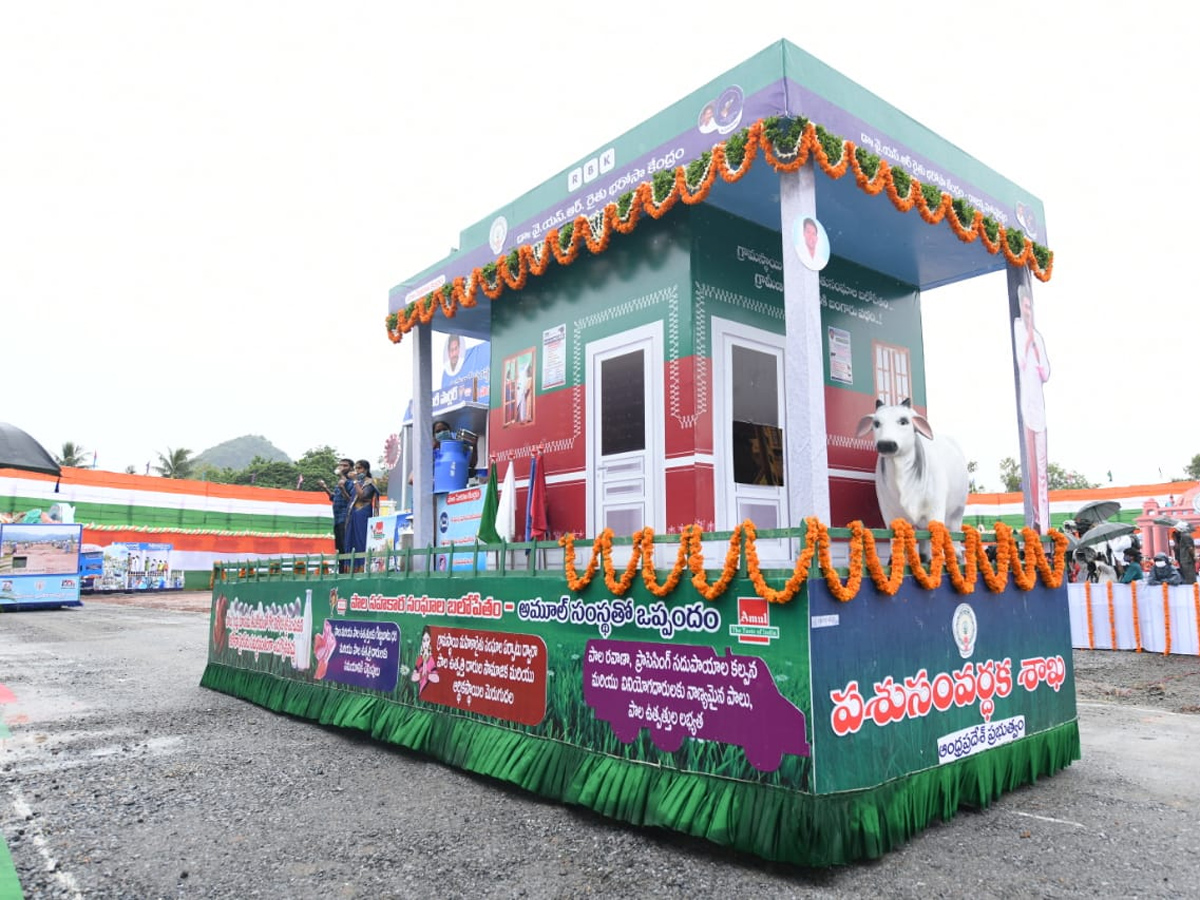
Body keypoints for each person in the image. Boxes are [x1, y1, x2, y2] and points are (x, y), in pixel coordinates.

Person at [1013, 283, 1050, 531]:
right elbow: (1021, 361)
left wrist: (1034, 343)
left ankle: (1045, 522)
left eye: (1030, 307)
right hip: (1025, 409)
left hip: (1040, 409)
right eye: (1024, 306)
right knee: (1031, 470)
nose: (1028, 311)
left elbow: (1046, 371)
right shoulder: (1016, 329)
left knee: (1042, 470)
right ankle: (1035, 518)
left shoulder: (1038, 336)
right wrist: (1026, 343)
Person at [317, 459, 355, 563]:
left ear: (351, 468)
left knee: (344, 546)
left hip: (345, 519)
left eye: (345, 466)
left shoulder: (351, 483)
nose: (342, 468)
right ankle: (342, 570)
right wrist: (325, 488)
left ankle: (347, 570)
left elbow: (351, 501)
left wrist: (343, 488)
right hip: (337, 519)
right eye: (340, 466)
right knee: (339, 548)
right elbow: (334, 498)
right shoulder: (339, 483)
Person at [344, 460, 379, 569]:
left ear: (366, 469)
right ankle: (351, 568)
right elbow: (350, 500)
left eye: (359, 468)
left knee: (361, 541)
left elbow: (363, 496)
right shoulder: (357, 483)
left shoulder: (370, 482)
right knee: (351, 541)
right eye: (356, 468)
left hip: (363, 514)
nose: (357, 471)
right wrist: (342, 489)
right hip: (353, 514)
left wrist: (355, 481)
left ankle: (363, 567)